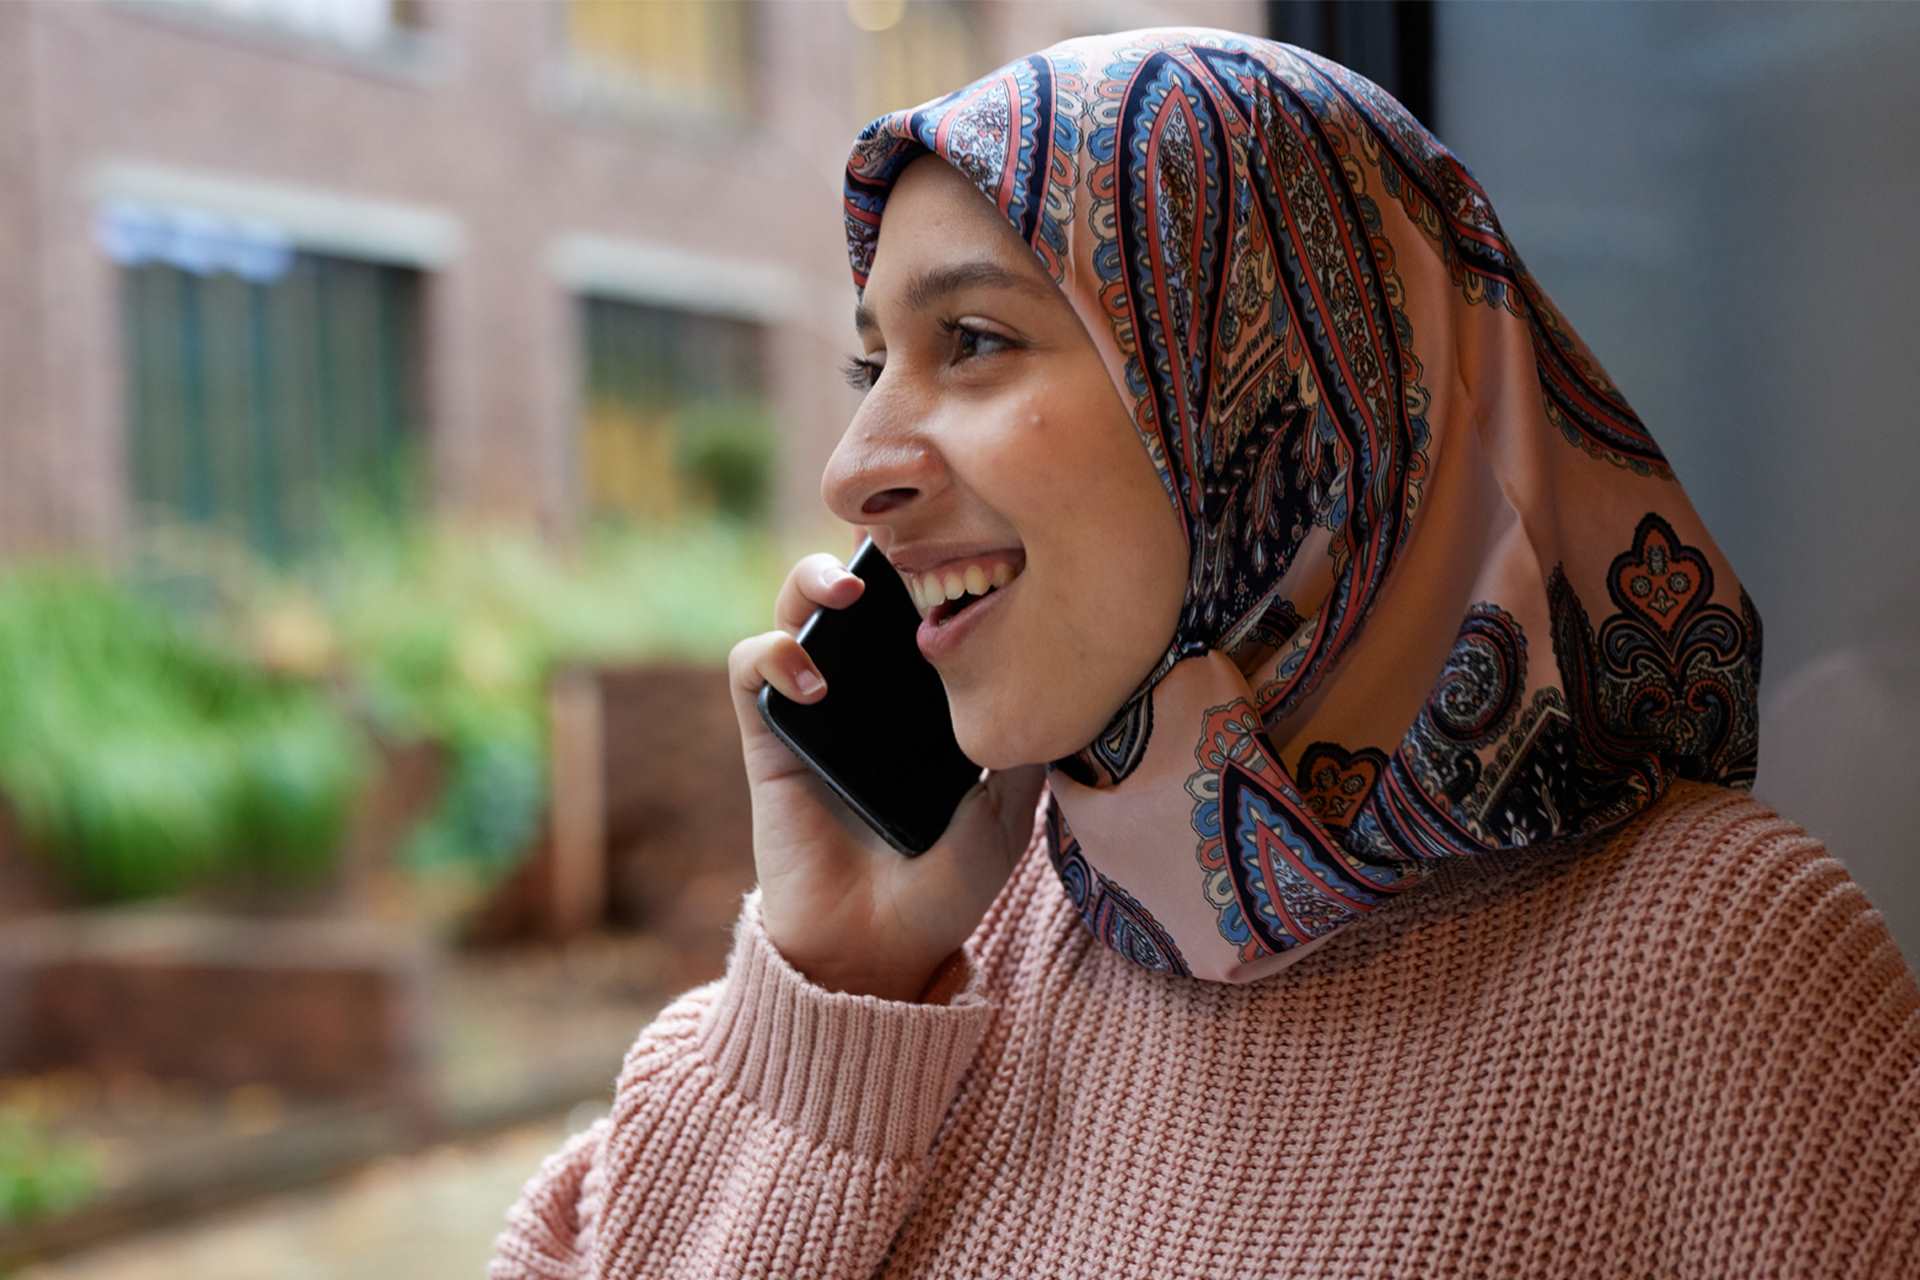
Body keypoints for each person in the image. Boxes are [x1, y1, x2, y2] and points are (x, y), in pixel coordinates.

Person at [490, 27, 1920, 1278]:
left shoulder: (1713, 965)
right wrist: (835, 989)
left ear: (1283, 381)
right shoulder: (976, 927)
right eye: (874, 365)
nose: (852, 468)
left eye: (973, 341)